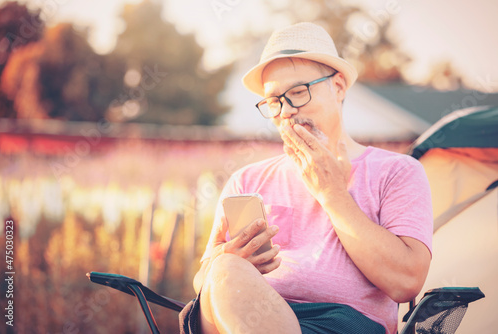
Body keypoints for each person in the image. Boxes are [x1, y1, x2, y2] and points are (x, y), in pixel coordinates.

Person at [179, 22, 433, 334]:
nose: (285, 110)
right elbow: (204, 282)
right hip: (244, 320)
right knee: (225, 269)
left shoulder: (397, 172)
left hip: (339, 325)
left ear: (338, 87)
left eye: (298, 92)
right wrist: (221, 260)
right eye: (274, 101)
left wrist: (331, 193)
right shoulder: (246, 181)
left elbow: (405, 282)